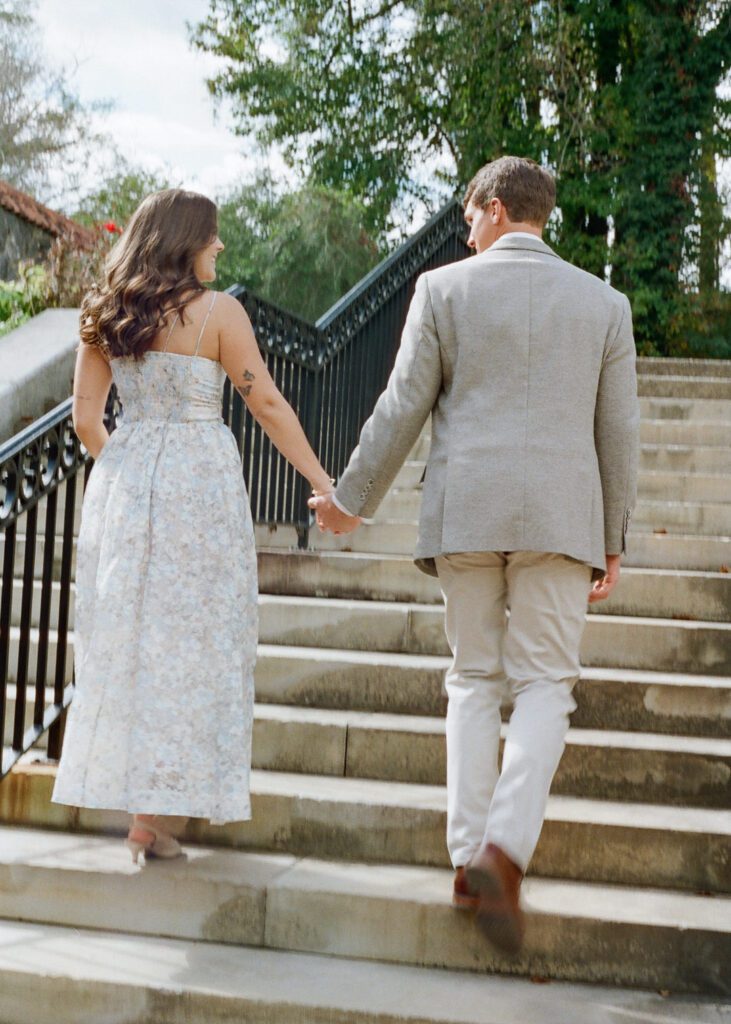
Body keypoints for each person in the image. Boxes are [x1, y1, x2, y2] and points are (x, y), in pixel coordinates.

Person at [309, 156, 640, 954]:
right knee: (544, 685)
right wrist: (612, 537)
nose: (463, 229)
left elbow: (400, 405)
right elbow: (617, 434)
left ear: (495, 209)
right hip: (560, 518)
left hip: (466, 512)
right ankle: (504, 848)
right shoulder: (603, 303)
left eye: (467, 215)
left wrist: (352, 501)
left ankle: (466, 856)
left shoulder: (443, 291)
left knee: (470, 679)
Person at [52, 188, 335, 862]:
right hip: (200, 492)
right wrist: (321, 481)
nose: (220, 248)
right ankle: (154, 813)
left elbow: (87, 421)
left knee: (136, 640)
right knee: (193, 643)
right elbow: (263, 399)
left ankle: (147, 815)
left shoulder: (104, 313)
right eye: (213, 237)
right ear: (185, 241)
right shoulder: (217, 314)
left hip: (126, 488)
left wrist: (127, 471)